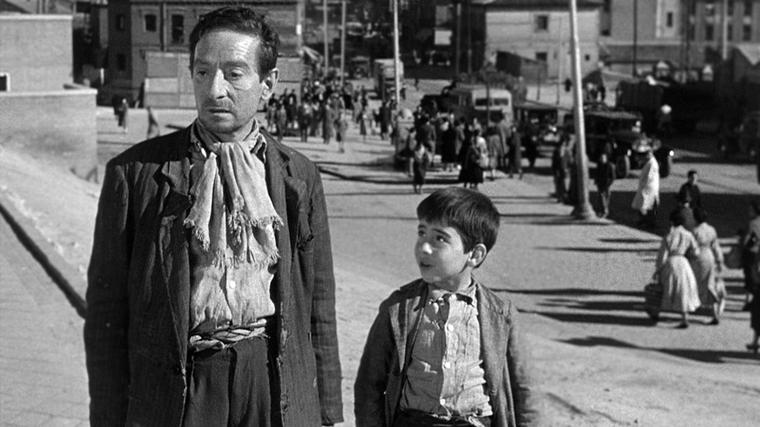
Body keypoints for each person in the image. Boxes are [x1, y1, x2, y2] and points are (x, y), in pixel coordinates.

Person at [84, 7, 343, 426]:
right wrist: (109, 416)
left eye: (234, 74)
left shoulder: (299, 177)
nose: (215, 89)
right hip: (181, 388)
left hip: (270, 383)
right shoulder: (136, 175)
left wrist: (327, 413)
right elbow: (105, 316)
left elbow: (319, 308)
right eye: (202, 73)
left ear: (268, 85)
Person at [354, 187, 540, 427]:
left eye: (439, 238)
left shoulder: (500, 315)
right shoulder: (398, 310)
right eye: (422, 233)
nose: (424, 247)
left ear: (474, 255)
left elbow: (525, 391)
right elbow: (370, 385)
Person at [652, 209, 701, 328]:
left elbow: (662, 255)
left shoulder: (669, 235)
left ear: (672, 221)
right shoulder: (688, 235)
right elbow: (696, 252)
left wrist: (658, 270)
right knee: (684, 290)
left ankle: (656, 312)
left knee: (664, 288)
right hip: (683, 263)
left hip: (671, 262)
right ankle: (685, 318)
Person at [690, 208, 726, 325]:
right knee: (710, 283)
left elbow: (691, 248)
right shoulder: (711, 229)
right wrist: (720, 260)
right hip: (710, 256)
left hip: (698, 258)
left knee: (698, 283)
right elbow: (716, 246)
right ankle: (711, 309)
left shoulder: (694, 231)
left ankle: (707, 308)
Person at [631, 149, 659, 228]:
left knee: (646, 207)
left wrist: (643, 186)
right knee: (643, 206)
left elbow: (649, 177)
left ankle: (648, 222)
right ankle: (644, 220)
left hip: (648, 189)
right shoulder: (650, 162)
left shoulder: (652, 163)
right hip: (647, 188)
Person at [593, 152, 616, 218]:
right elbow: (597, 174)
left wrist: (609, 183)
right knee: (601, 197)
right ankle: (604, 211)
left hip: (606, 184)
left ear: (606, 158)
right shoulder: (599, 165)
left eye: (603, 158)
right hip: (600, 184)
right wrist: (596, 181)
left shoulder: (610, 166)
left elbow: (613, 177)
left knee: (606, 197)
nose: (602, 159)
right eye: (601, 158)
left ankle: (604, 211)